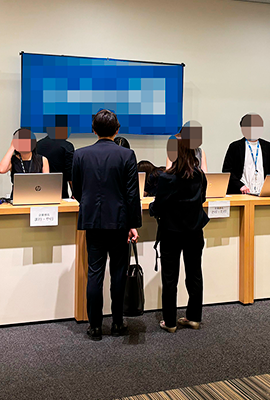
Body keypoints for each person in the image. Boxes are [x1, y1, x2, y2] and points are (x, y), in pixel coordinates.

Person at [72, 109, 141, 341]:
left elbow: (77, 190)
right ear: (117, 130)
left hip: (92, 221)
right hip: (119, 222)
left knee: (95, 273)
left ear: (93, 130)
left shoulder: (80, 155)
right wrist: (133, 224)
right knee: (118, 273)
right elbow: (132, 194)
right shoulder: (127, 155)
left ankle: (95, 326)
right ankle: (118, 323)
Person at [150, 137, 209, 333]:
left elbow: (159, 205)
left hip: (171, 232)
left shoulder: (166, 178)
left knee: (170, 277)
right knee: (194, 274)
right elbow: (202, 199)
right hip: (194, 231)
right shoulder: (200, 176)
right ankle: (194, 318)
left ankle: (170, 321)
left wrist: (152, 209)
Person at [222, 113, 270, 194]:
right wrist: (240, 186)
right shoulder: (235, 146)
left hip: (262, 191)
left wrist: (267, 185)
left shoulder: (267, 146)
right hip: (240, 191)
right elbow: (227, 171)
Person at [0, 129, 50, 197]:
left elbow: (47, 183)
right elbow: (1, 170)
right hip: (17, 196)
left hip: (37, 196)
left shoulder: (42, 159)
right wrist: (12, 147)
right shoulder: (13, 160)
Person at [36, 129, 75, 199]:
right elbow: (70, 173)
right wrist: (75, 193)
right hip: (59, 192)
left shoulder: (38, 144)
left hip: (38, 191)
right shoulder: (66, 146)